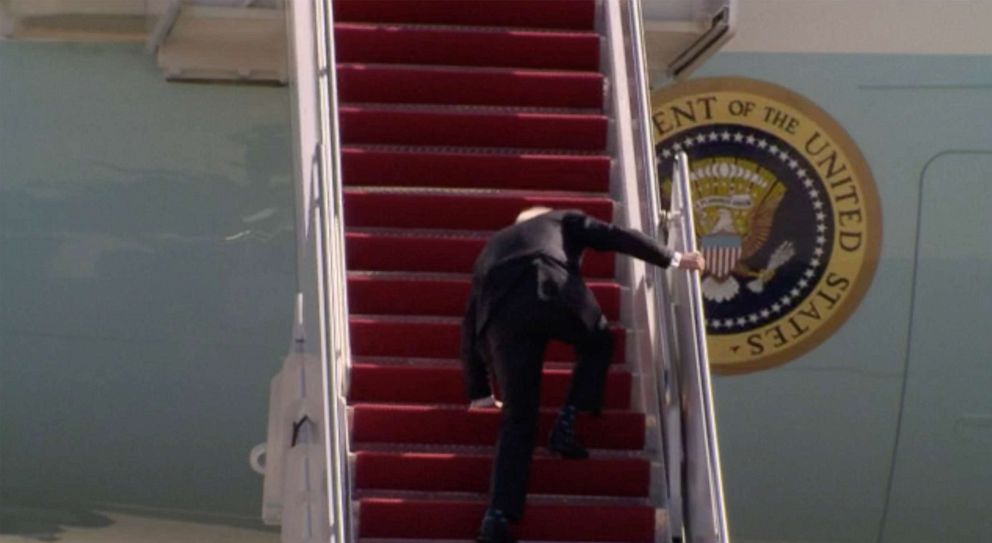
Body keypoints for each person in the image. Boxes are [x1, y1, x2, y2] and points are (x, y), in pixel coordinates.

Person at [461, 207, 705, 543]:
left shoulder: (492, 247)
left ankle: (496, 518)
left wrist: (480, 391)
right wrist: (673, 257)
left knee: (519, 417)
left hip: (501, 316)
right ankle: (568, 422)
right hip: (550, 282)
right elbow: (614, 236)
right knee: (599, 340)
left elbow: (468, 323)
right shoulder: (560, 219)